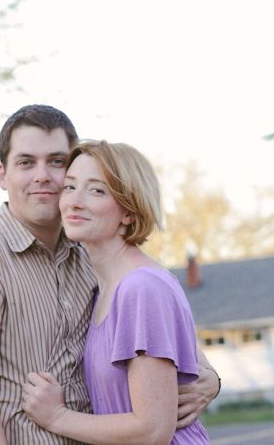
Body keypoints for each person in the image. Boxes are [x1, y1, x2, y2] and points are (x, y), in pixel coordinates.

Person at [0, 105, 218, 444]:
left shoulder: (93, 254)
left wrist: (210, 378)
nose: (42, 175)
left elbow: (166, 330)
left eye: (56, 161)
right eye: (26, 162)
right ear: (3, 175)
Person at [22, 140, 211, 444]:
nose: (74, 202)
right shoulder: (105, 289)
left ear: (129, 212)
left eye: (96, 190)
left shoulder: (141, 289)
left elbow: (152, 430)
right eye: (70, 187)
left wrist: (57, 417)